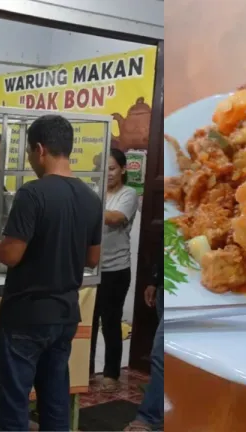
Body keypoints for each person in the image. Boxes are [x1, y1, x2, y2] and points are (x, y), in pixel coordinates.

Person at [0, 115, 103, 431]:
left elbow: (10, 255)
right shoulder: (90, 198)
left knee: (13, 401)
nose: (31, 161)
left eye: (30, 154)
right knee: (56, 396)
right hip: (65, 314)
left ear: (39, 149)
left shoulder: (33, 193)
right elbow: (92, 258)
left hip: (26, 315)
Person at [89, 148, 139, 392]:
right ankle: (86, 370)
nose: (107, 173)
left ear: (122, 169)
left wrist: (84, 205)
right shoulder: (94, 192)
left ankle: (111, 373)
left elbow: (115, 218)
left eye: (111, 168)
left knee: (110, 322)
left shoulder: (128, 194)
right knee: (88, 321)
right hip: (91, 268)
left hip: (116, 270)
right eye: (103, 168)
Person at [124, 254, 164, 432]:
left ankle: (149, 418)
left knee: (161, 354)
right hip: (168, 284)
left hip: (195, 292)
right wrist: (154, 281)